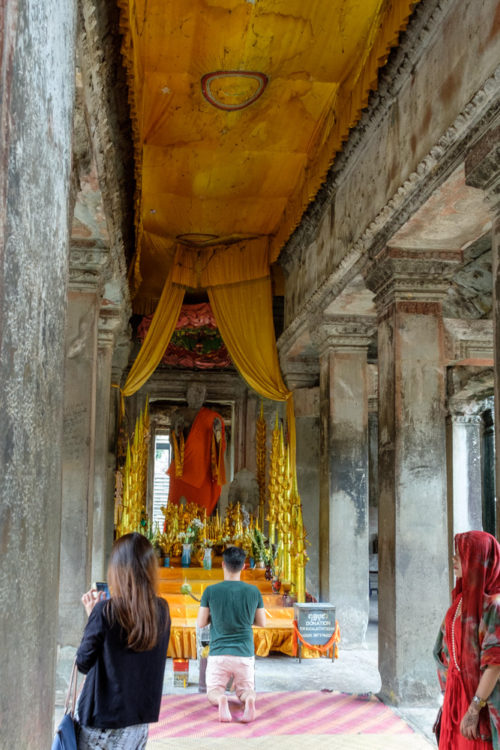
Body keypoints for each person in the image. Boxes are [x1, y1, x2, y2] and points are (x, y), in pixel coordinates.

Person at [75, 532, 171, 749]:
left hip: (103, 722)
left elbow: (82, 662)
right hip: (138, 723)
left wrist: (92, 617)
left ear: (117, 570)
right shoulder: (162, 610)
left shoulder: (104, 611)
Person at [434, 531, 500, 748]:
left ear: (478, 558)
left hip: (478, 700)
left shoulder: (493, 606)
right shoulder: (461, 598)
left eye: (461, 554)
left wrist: (473, 710)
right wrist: (448, 696)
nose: (454, 559)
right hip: (456, 695)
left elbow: (494, 665)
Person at [196, 545, 266, 723]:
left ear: (222, 565)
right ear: (244, 566)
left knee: (213, 690)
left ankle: (221, 699)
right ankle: (248, 699)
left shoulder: (210, 591)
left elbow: (201, 622)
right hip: (244, 653)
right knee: (245, 690)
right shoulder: (254, 591)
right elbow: (262, 622)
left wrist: (216, 616)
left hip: (219, 653)